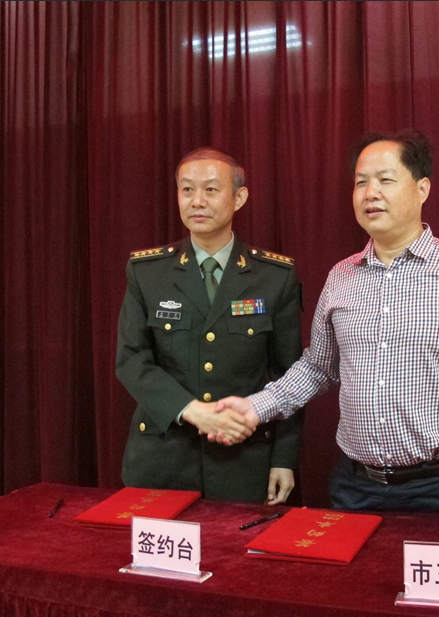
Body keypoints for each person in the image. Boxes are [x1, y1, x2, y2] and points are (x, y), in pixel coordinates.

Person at [215, 130, 439, 515]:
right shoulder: (341, 276)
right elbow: (318, 368)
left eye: (385, 180)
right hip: (355, 488)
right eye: (361, 182)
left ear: (422, 189)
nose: (370, 193)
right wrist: (255, 407)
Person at [115, 147, 303, 504]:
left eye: (211, 189)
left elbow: (290, 375)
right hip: (163, 457)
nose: (197, 201)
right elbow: (132, 360)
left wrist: (284, 459)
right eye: (187, 189)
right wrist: (193, 410)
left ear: (239, 198)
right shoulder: (148, 272)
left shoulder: (274, 276)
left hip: (245, 461)